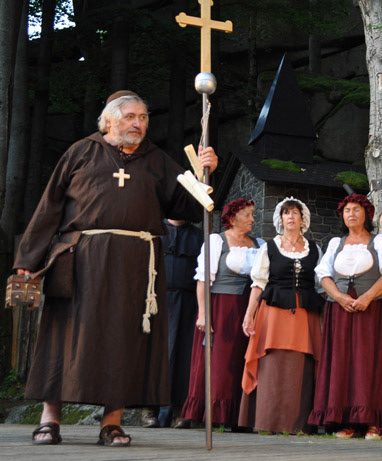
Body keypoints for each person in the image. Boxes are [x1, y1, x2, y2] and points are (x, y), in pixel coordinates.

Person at [14, 90, 218, 446]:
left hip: (135, 266)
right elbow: (49, 208)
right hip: (81, 260)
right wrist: (27, 261)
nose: (138, 124)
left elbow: (187, 207)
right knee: (65, 336)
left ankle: (111, 423)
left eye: (143, 118)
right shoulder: (81, 152)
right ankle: (50, 419)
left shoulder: (156, 160)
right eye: (130, 117)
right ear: (109, 121)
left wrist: (205, 173)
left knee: (124, 339)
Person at [309, 193, 382, 439]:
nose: (351, 214)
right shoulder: (335, 243)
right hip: (340, 311)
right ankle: (345, 420)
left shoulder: (380, 241)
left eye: (356, 210)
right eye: (347, 210)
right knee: (342, 363)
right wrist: (340, 298)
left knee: (370, 362)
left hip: (372, 310)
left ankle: (373, 421)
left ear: (367, 214)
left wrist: (367, 297)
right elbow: (323, 275)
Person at [239, 197, 324, 434]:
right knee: (271, 364)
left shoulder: (315, 249)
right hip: (273, 315)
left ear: (302, 219)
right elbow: (258, 283)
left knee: (301, 365)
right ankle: (267, 421)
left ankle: (298, 424)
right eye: (287, 213)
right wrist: (249, 315)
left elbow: (321, 284)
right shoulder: (269, 248)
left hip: (305, 315)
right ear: (281, 218)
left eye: (295, 212)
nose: (291, 217)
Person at [180, 199, 264, 429]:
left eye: (252, 214)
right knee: (219, 361)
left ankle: (239, 416)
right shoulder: (217, 241)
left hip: (249, 307)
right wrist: (203, 313)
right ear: (233, 217)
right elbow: (203, 279)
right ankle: (214, 413)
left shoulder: (259, 244)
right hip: (222, 307)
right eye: (247, 215)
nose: (252, 219)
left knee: (241, 359)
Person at [157, 218, 203, 428]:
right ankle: (150, 408)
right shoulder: (155, 230)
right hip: (157, 301)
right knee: (159, 354)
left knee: (185, 356)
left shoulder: (199, 236)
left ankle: (180, 409)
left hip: (188, 302)